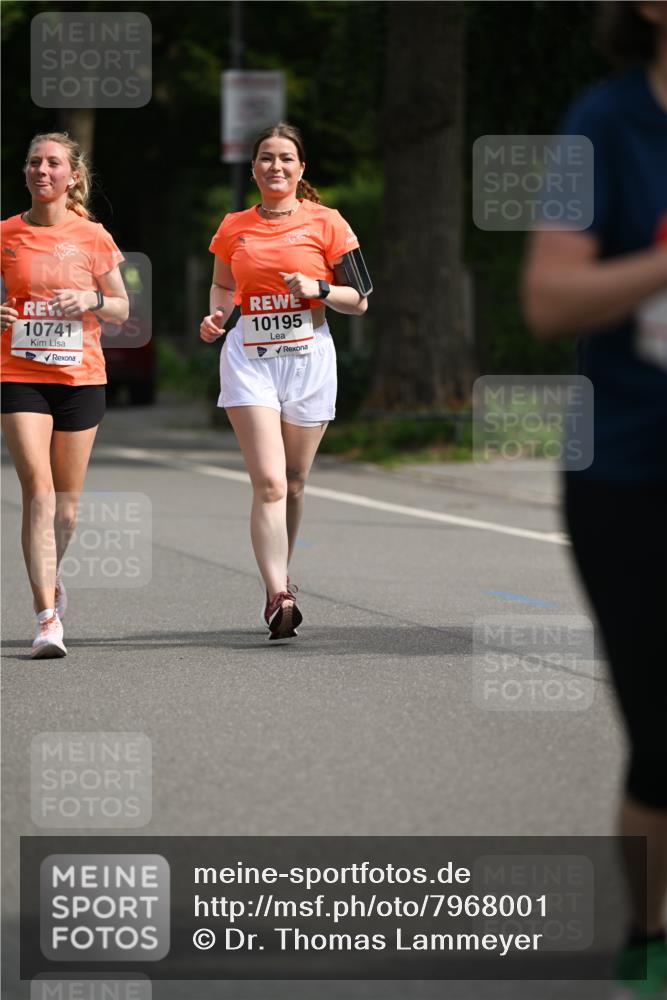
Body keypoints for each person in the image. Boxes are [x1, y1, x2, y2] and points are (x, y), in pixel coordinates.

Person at [522, 3, 667, 996]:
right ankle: (648, 932)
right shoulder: (600, 124)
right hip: (632, 475)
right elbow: (548, 299)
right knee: (664, 740)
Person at [201, 122, 370, 641]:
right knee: (270, 482)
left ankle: (282, 577)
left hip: (310, 357)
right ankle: (278, 593)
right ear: (253, 169)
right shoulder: (234, 226)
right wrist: (215, 317)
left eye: (286, 158)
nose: (276, 166)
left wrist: (319, 287)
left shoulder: (329, 223)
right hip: (250, 357)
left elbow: (360, 297)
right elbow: (223, 285)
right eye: (266, 158)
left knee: (294, 482)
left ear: (301, 169)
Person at [1, 132, 129, 658]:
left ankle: (52, 580)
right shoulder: (6, 233)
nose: (42, 170)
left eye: (53, 163)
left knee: (67, 510)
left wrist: (92, 298)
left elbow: (122, 307)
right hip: (18, 373)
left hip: (80, 378)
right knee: (39, 491)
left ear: (72, 176)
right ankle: (46, 616)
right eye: (34, 162)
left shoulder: (93, 236)